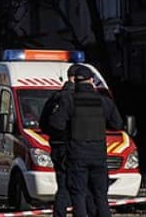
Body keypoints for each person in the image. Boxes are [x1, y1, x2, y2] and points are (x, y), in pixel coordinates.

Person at [49, 64, 124, 217]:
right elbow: (117, 124)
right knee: (101, 197)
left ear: (74, 81)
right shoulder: (104, 102)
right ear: (91, 81)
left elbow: (56, 124)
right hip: (99, 155)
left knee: (79, 196)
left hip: (76, 155)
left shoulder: (69, 101)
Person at [39, 65, 79, 217]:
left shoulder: (55, 97)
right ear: (75, 78)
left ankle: (59, 214)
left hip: (56, 147)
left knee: (62, 184)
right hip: (74, 146)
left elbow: (43, 124)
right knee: (79, 187)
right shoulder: (76, 98)